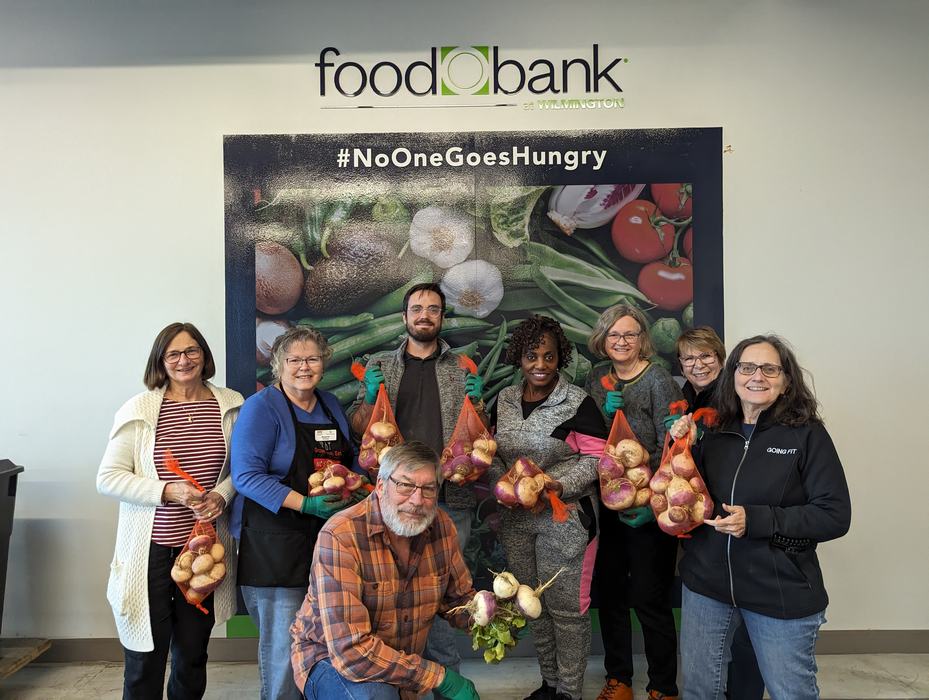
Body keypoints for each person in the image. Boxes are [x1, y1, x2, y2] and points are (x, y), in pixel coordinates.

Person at [669, 335, 851, 700]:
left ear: (786, 381)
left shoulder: (807, 435)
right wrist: (680, 447)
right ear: (732, 374)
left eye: (770, 369)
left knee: (791, 693)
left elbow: (834, 514)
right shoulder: (716, 432)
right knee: (698, 691)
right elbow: (690, 497)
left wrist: (757, 520)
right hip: (707, 586)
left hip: (777, 589)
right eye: (747, 367)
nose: (757, 376)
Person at [97, 322, 244, 699]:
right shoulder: (141, 409)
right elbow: (108, 478)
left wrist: (222, 496)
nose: (184, 360)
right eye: (174, 353)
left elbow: (242, 469)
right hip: (152, 555)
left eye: (192, 350)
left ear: (204, 355)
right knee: (145, 656)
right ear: (161, 361)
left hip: (206, 553)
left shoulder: (232, 405)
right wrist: (166, 490)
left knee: (192, 655)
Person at [348, 282, 484, 688]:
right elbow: (360, 427)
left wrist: (479, 404)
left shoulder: (461, 366)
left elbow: (479, 440)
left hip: (449, 497)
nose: (425, 315)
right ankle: (392, 680)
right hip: (394, 500)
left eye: (434, 309)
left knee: (444, 595)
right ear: (405, 316)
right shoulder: (380, 365)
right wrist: (370, 399)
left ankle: (447, 681)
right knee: (390, 591)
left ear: (442, 317)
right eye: (417, 308)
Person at [291, 441, 481, 700]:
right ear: (381, 486)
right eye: (405, 485)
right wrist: (439, 677)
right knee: (374, 696)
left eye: (428, 489)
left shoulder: (442, 527)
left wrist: (492, 616)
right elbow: (350, 653)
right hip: (330, 660)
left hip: (398, 661)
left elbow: (457, 601)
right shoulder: (340, 536)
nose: (416, 500)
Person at [230, 326, 361, 700]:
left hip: (327, 540)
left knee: (323, 639)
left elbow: (350, 458)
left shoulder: (330, 404)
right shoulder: (261, 407)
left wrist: (359, 483)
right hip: (275, 543)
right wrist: (307, 503)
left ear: (323, 363)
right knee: (284, 648)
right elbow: (246, 476)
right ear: (278, 365)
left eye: (312, 358)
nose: (304, 367)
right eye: (294, 360)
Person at [488, 315, 607, 700]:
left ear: (560, 359)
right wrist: (500, 486)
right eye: (531, 356)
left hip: (566, 517)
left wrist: (556, 484)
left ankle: (569, 693)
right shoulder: (505, 400)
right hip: (517, 520)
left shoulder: (577, 401)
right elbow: (491, 453)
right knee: (531, 602)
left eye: (549, 357)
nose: (540, 365)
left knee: (566, 610)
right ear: (518, 359)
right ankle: (549, 685)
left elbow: (597, 458)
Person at [584, 304, 683, 700]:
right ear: (602, 340)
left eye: (630, 334)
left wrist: (653, 503)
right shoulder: (595, 378)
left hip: (647, 505)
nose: (622, 341)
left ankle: (663, 686)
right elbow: (593, 441)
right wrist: (605, 417)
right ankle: (618, 679)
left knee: (649, 596)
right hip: (606, 504)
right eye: (614, 335)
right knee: (609, 594)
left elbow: (673, 444)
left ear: (643, 339)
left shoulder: (658, 380)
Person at [668, 327, 765, 700]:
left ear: (722, 359)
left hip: (732, 509)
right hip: (701, 515)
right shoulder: (684, 397)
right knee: (710, 617)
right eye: (689, 358)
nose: (698, 364)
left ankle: (744, 693)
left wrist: (699, 440)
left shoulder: (737, 394)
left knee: (742, 624)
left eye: (706, 356)